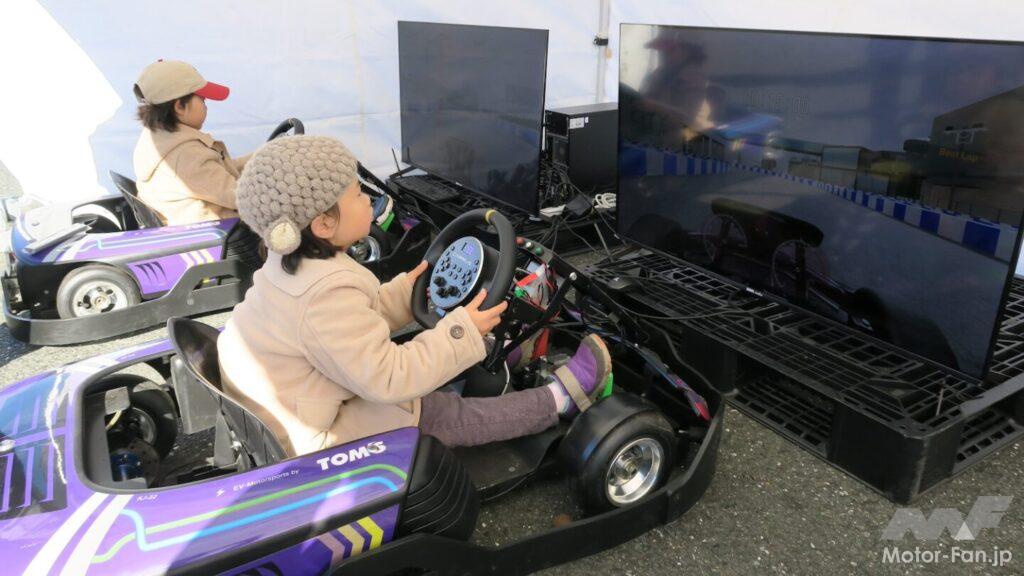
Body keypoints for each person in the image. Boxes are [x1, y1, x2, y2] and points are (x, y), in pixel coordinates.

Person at [217, 135, 613, 456]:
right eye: (357, 195)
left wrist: (411, 291)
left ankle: (488, 348)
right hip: (315, 441)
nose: (367, 200)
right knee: (438, 412)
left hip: (298, 403)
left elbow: (358, 321)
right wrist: (461, 329)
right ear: (323, 224)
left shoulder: (294, 264)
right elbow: (390, 377)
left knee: (444, 345)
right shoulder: (322, 296)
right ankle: (559, 400)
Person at [132, 60, 250, 225]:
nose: (206, 107)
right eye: (202, 100)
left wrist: (264, 155)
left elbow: (220, 170)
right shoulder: (186, 156)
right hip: (227, 233)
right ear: (179, 107)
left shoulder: (158, 140)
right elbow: (244, 197)